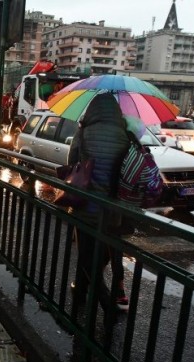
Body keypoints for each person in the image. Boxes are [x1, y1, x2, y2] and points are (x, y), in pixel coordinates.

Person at [67, 93, 131, 313]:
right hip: (112, 209)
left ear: (93, 109)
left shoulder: (84, 131)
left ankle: (106, 303)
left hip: (87, 204)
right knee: (99, 254)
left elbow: (71, 162)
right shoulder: (125, 134)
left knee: (86, 256)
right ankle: (81, 292)